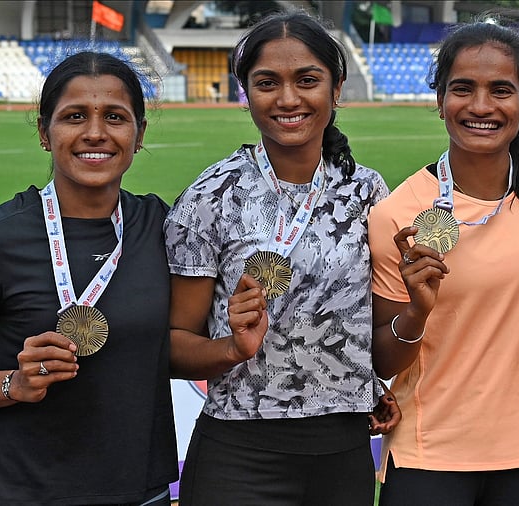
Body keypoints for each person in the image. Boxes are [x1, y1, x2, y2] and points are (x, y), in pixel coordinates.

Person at [0, 51, 178, 505]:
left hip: (142, 492)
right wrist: (11, 383)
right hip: (24, 493)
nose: (95, 132)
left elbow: (186, 339)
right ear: (43, 132)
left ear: (139, 134)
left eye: (115, 116)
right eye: (74, 116)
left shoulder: (161, 226)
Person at [164, 11, 398, 505]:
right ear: (245, 94)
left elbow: (373, 324)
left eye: (307, 80)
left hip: (344, 450)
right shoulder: (210, 196)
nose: (288, 99)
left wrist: (366, 380)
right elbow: (173, 344)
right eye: (267, 83)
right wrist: (232, 348)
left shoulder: (368, 192)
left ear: (336, 91)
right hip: (239, 453)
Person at [368, 20, 519, 505]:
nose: (481, 106)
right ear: (439, 100)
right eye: (463, 89)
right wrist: (416, 312)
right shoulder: (397, 214)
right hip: (430, 455)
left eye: (500, 90)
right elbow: (383, 359)